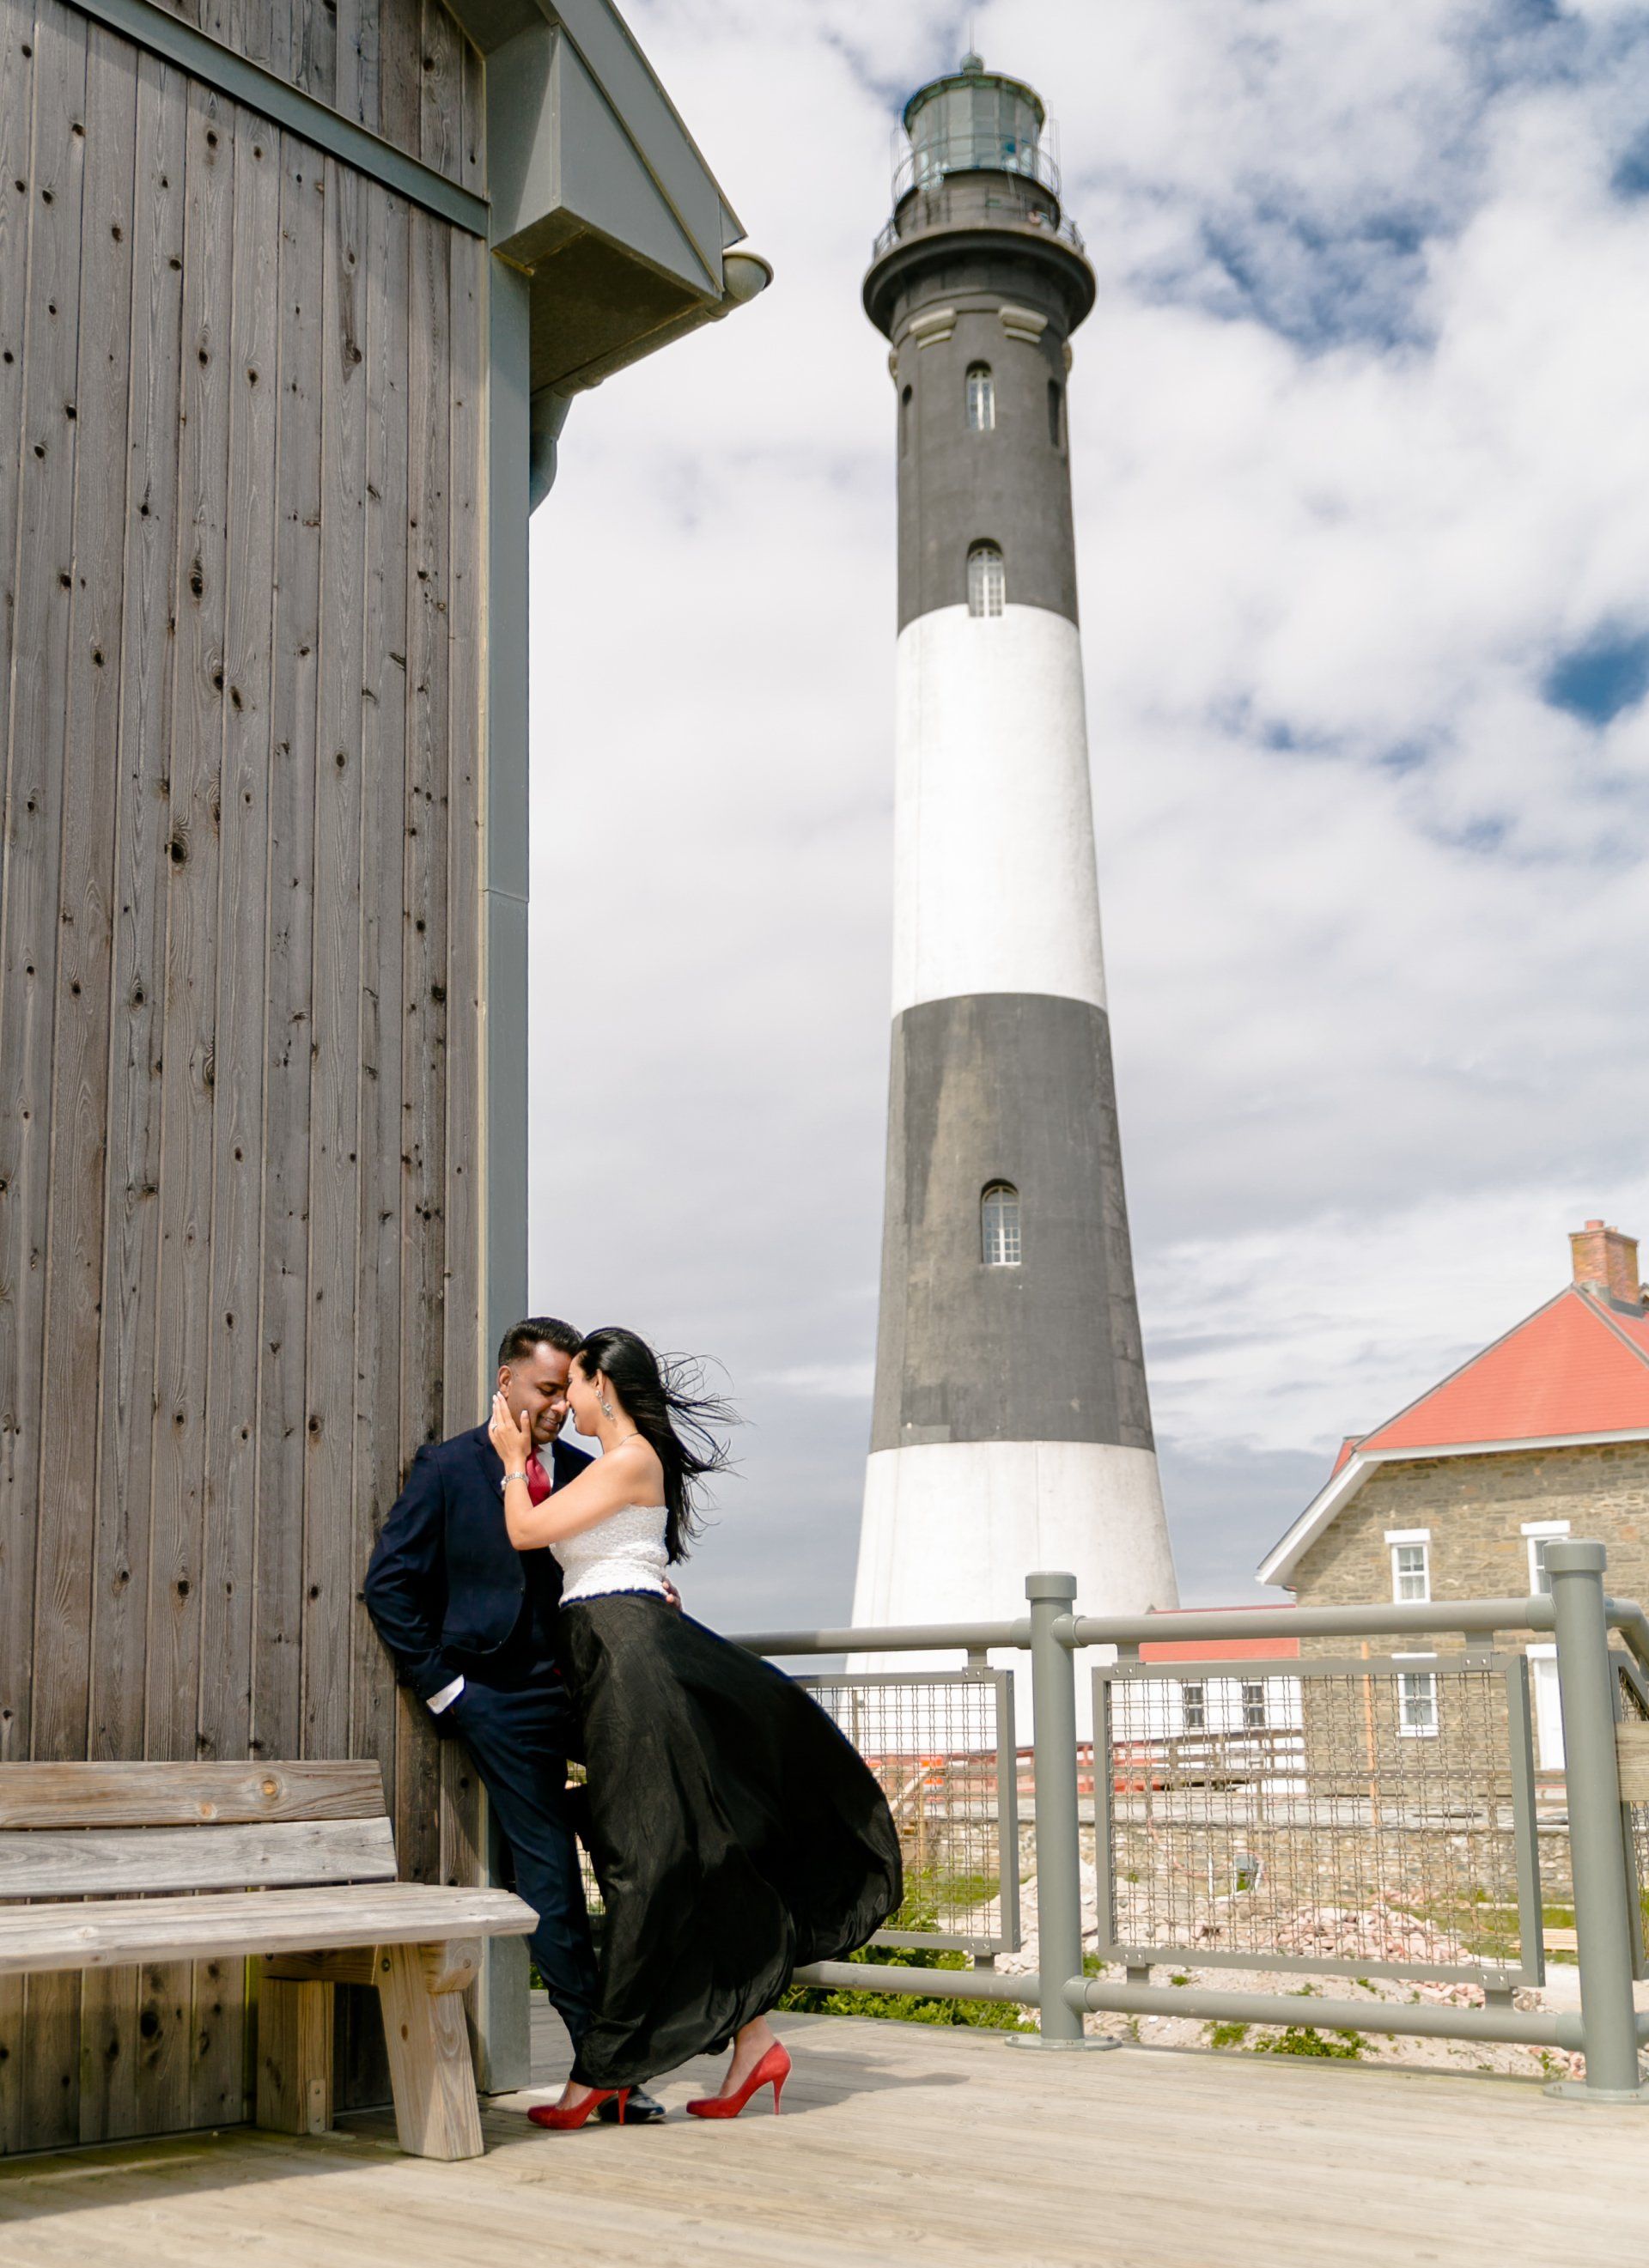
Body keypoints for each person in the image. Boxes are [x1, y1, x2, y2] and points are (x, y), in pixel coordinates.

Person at [488, 1324, 903, 2130]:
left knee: (643, 1858)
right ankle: (752, 2043)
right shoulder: (618, 1463)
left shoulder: (631, 1457)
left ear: (602, 1387)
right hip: (610, 1656)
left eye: (574, 1383)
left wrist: (511, 1463)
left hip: (629, 1658)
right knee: (667, 1849)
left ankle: (599, 2075)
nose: (566, 1398)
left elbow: (527, 1531)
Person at [363, 1316, 669, 2125]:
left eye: (567, 1393)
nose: (559, 1408)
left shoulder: (581, 1468)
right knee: (549, 1879)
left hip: (586, 1690)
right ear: (506, 1382)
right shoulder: (448, 1468)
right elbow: (389, 1583)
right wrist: (448, 1692)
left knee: (654, 1837)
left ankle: (721, 2027)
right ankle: (608, 2066)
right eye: (545, 1390)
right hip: (494, 1697)